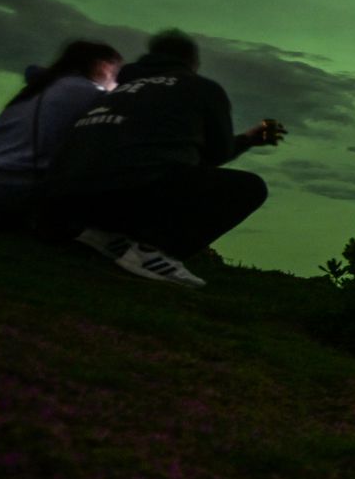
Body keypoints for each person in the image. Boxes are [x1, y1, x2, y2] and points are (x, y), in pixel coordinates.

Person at [43, 28, 288, 288]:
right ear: (192, 62)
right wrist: (249, 139)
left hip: (62, 197)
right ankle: (152, 251)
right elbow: (217, 153)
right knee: (248, 188)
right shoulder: (202, 89)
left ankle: (95, 236)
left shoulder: (118, 89)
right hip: (119, 195)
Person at [0, 40, 124, 229]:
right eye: (115, 70)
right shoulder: (87, 91)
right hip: (13, 183)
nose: (116, 78)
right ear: (101, 66)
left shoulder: (40, 85)